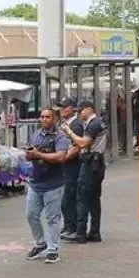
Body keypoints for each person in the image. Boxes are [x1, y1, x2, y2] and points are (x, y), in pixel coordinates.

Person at [24, 108, 69, 264]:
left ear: (54, 119)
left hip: (53, 184)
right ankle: (40, 243)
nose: (44, 119)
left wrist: (39, 155)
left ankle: (53, 249)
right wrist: (28, 155)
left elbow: (61, 156)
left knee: (52, 218)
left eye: (48, 117)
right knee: (31, 215)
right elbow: (30, 152)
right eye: (42, 117)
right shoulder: (35, 135)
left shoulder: (60, 137)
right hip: (35, 183)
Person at [60, 100, 107, 244]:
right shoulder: (98, 123)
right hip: (97, 162)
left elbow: (82, 143)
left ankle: (80, 232)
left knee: (82, 197)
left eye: (81, 110)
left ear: (89, 109)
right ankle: (94, 231)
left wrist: (69, 132)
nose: (79, 113)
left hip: (90, 163)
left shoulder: (93, 125)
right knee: (93, 199)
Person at [58, 98, 84, 238]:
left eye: (65, 107)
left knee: (69, 197)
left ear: (72, 108)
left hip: (73, 167)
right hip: (65, 166)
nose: (62, 110)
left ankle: (72, 227)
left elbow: (76, 147)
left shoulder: (76, 125)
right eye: (61, 107)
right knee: (65, 198)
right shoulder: (63, 124)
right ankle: (68, 225)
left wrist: (61, 158)